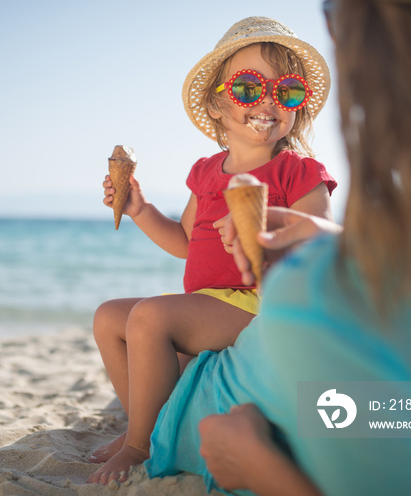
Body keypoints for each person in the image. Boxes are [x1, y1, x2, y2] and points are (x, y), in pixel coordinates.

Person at [144, 1, 411, 495]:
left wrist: (255, 466)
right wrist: (340, 240)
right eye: (247, 87)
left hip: (192, 415)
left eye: (335, 15)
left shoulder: (318, 300)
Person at [88, 17, 337, 484]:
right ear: (217, 102)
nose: (267, 101)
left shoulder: (296, 171)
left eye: (286, 92)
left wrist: (271, 229)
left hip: (260, 301)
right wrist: (140, 209)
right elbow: (185, 244)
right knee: (108, 317)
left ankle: (140, 446)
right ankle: (142, 425)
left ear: (297, 108)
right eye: (248, 87)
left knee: (150, 318)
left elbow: (322, 236)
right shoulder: (206, 171)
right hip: (210, 301)